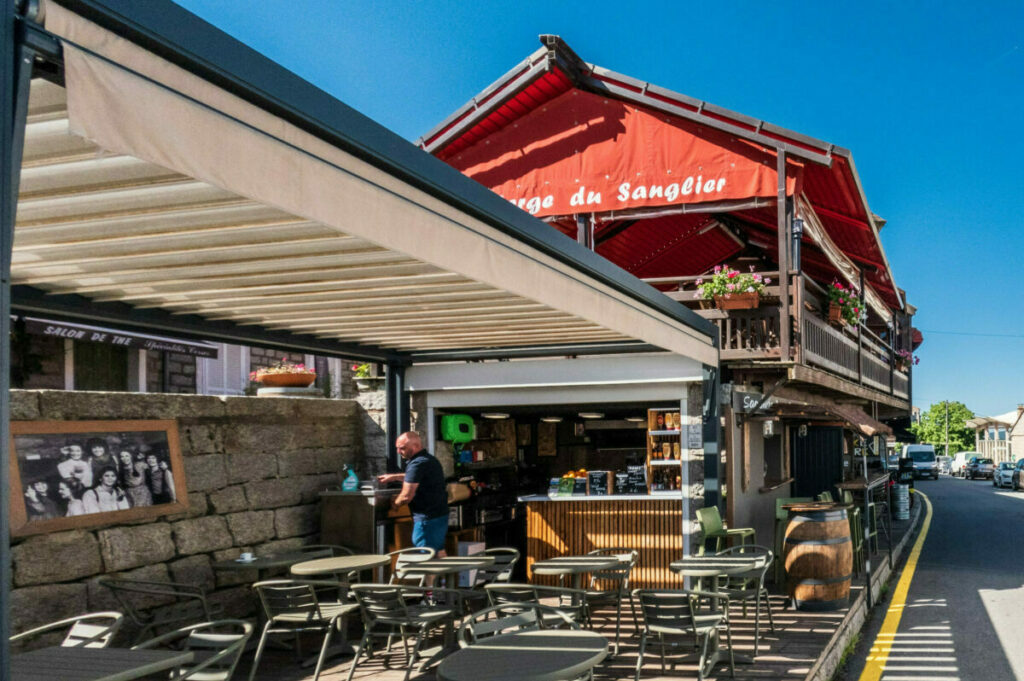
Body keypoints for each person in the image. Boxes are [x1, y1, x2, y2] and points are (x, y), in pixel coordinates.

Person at [377, 431, 448, 557]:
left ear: (415, 446)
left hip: (426, 519)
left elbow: (406, 496)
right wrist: (394, 477)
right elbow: (417, 477)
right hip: (439, 515)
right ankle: (446, 577)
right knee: (438, 551)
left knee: (426, 556)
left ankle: (430, 577)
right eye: (397, 448)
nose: (399, 452)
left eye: (402, 448)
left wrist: (395, 504)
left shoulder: (417, 464)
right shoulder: (429, 460)